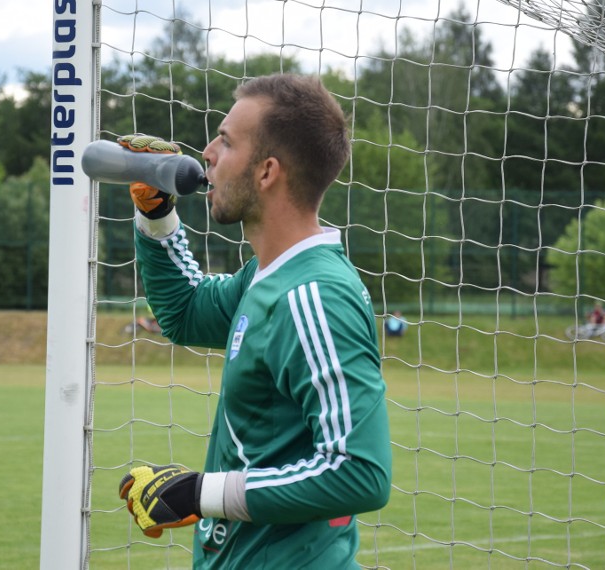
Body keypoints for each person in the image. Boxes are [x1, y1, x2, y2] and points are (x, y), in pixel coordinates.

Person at [117, 74, 392, 569]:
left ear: (267, 172)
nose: (207, 152)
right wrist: (156, 214)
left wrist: (198, 493)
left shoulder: (314, 296)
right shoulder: (267, 277)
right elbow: (184, 311)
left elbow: (359, 472)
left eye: (225, 140)